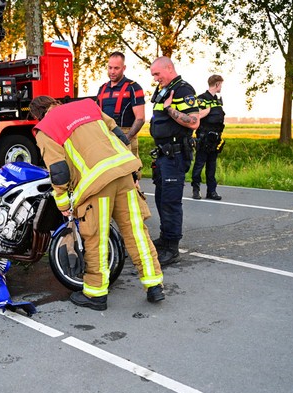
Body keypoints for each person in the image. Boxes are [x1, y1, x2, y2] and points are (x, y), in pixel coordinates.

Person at [29, 95, 164, 311]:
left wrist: (63, 204)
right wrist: (135, 171)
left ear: (37, 114)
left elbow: (58, 170)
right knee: (136, 231)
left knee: (95, 238)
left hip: (96, 185)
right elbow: (120, 136)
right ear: (55, 103)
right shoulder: (88, 107)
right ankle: (154, 284)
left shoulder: (46, 127)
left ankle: (96, 294)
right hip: (123, 171)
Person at [148, 56, 200, 266]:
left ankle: (172, 247)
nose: (155, 78)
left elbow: (194, 122)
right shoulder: (163, 89)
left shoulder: (183, 90)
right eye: (153, 75)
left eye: (157, 74)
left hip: (175, 155)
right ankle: (165, 237)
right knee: (161, 198)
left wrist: (170, 108)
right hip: (163, 154)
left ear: (169, 68)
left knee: (170, 201)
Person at [96, 51, 146, 161]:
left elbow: (140, 118)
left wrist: (126, 139)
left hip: (126, 134)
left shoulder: (133, 87)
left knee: (132, 173)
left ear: (124, 68)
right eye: (110, 68)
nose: (112, 72)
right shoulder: (102, 89)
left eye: (116, 68)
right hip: (106, 137)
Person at [191, 75, 226, 200]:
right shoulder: (202, 98)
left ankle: (212, 191)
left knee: (212, 165)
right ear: (217, 84)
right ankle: (196, 189)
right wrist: (208, 110)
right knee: (199, 164)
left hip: (215, 138)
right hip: (204, 137)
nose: (221, 87)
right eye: (221, 84)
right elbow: (196, 115)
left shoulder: (217, 100)